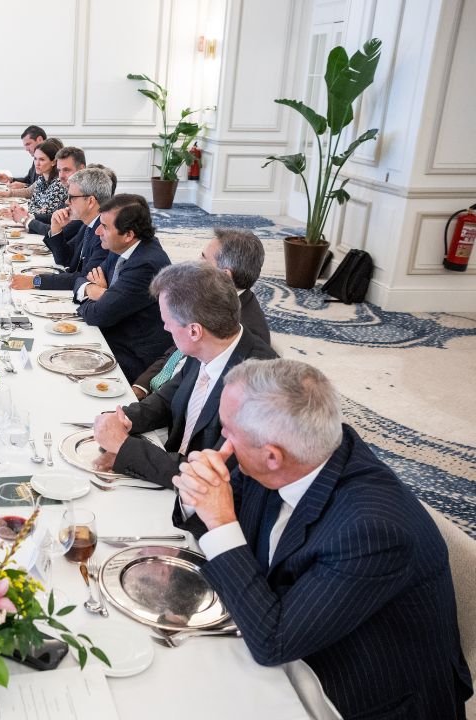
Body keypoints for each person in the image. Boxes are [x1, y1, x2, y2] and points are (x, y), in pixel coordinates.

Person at [172, 358, 472, 719]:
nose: (223, 443)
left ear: (272, 456)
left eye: (228, 431)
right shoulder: (297, 451)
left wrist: (220, 520)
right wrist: (196, 496)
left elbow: (273, 642)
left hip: (358, 691)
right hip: (286, 625)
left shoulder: (373, 532)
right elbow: (224, 513)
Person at [91, 262, 277, 488]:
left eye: (167, 322)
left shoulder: (259, 386)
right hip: (172, 467)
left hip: (202, 493)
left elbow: (214, 474)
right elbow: (166, 399)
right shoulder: (210, 343)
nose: (166, 329)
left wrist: (124, 447)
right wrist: (123, 418)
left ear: (194, 331)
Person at [132, 227, 271, 399]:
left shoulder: (241, 333)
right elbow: (176, 351)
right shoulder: (208, 299)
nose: (197, 262)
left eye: (204, 258)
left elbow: (204, 393)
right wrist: (142, 386)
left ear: (224, 275)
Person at [77, 199, 172, 380]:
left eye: (104, 227)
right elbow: (84, 277)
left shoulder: (146, 264)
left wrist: (102, 296)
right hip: (114, 333)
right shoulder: (121, 247)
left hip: (132, 356)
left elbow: (98, 315)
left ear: (128, 234)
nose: (97, 231)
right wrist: (93, 290)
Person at [8, 172, 118, 292]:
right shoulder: (88, 224)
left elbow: (85, 277)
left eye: (71, 197)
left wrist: (36, 281)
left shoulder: (104, 233)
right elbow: (64, 259)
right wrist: (56, 229)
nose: (66, 201)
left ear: (90, 201)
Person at [9, 146, 87, 235]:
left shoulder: (84, 196)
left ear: (81, 169)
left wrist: (25, 220)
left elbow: (60, 232)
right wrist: (28, 215)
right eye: (59, 170)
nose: (61, 176)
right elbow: (55, 218)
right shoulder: (72, 190)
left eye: (66, 170)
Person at [0, 140, 67, 216]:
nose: (37, 163)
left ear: (53, 162)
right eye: (35, 159)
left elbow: (46, 214)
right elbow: (32, 203)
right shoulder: (42, 179)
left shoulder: (58, 184)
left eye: (42, 159)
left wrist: (17, 212)